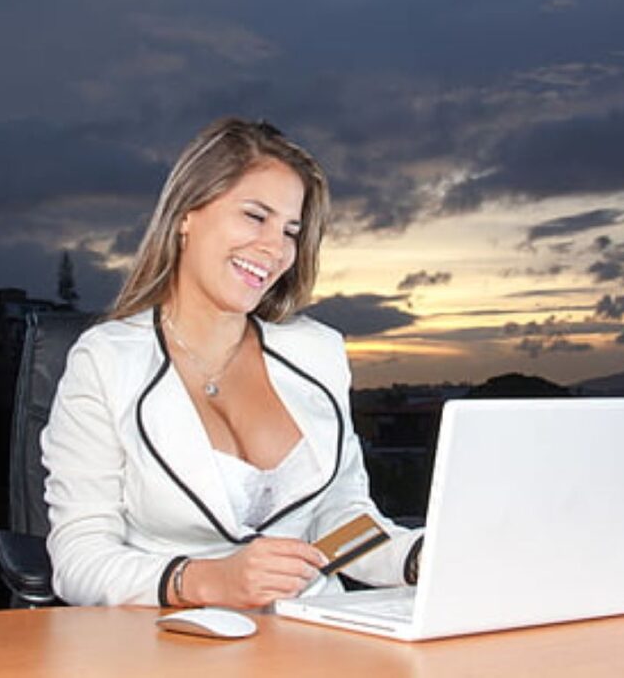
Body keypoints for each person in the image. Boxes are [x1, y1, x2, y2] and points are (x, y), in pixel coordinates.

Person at [42, 117, 422, 609]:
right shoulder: (106, 361)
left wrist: (417, 557)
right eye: (254, 215)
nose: (274, 247)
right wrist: (206, 581)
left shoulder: (318, 351)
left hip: (311, 640)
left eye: (290, 229)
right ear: (186, 215)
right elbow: (79, 560)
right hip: (169, 644)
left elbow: (340, 520)